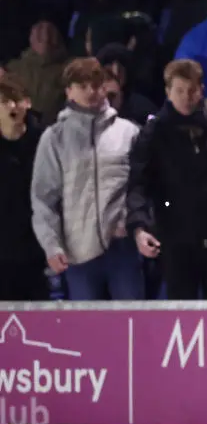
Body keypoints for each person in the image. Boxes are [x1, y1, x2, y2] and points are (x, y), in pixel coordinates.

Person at [30, 57, 144, 301]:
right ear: (69, 91)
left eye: (96, 85)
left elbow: (142, 188)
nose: (91, 92)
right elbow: (43, 199)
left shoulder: (128, 132)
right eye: (82, 86)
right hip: (78, 250)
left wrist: (138, 226)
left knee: (131, 321)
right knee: (86, 323)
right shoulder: (54, 137)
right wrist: (52, 245)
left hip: (122, 247)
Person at [126, 59, 207, 300]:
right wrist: (139, 227)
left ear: (202, 90)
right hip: (173, 235)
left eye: (192, 90)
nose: (186, 97)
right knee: (181, 302)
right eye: (179, 90)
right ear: (168, 92)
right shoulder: (153, 133)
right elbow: (138, 183)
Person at [0, 76, 48, 300]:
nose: (11, 106)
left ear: (27, 103)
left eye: (16, 99)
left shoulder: (44, 140)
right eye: (3, 101)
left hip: (35, 248)